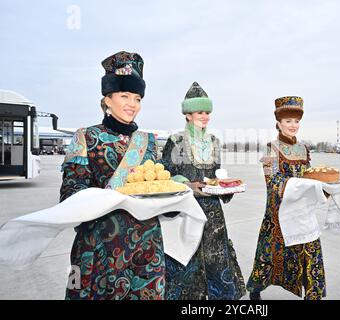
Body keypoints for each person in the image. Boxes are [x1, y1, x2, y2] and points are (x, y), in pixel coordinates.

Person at [60, 51, 165, 300]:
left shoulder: (148, 141)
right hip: (100, 249)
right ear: (107, 99)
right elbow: (70, 195)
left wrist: (171, 202)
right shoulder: (86, 137)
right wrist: (110, 197)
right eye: (124, 96)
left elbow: (156, 187)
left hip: (147, 250)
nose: (132, 104)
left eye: (137, 98)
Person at [161, 81, 246, 300]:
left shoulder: (215, 142)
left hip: (213, 214)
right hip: (186, 211)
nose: (205, 116)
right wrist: (188, 185)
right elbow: (166, 175)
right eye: (200, 111)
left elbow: (216, 175)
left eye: (207, 112)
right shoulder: (175, 141)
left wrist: (225, 187)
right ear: (188, 114)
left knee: (216, 261)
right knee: (187, 266)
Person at [246, 96, 326, 300]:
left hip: (303, 212)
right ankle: (255, 289)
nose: (293, 125)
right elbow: (272, 182)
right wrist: (303, 186)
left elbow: (310, 176)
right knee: (268, 255)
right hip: (278, 214)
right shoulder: (271, 149)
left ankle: (313, 295)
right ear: (279, 123)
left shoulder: (304, 148)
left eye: (296, 121)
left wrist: (323, 187)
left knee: (310, 251)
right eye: (288, 121)